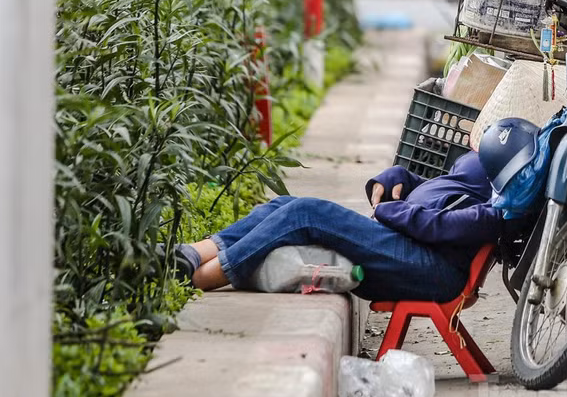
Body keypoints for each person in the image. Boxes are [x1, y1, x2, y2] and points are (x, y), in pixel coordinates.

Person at [172, 119, 540, 302]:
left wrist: (388, 210)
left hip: (429, 265)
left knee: (307, 213)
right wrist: (397, 177)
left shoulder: (496, 214)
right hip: (407, 242)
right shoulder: (484, 173)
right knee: (284, 206)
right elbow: (441, 187)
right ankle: (196, 252)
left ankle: (201, 276)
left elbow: (438, 226)